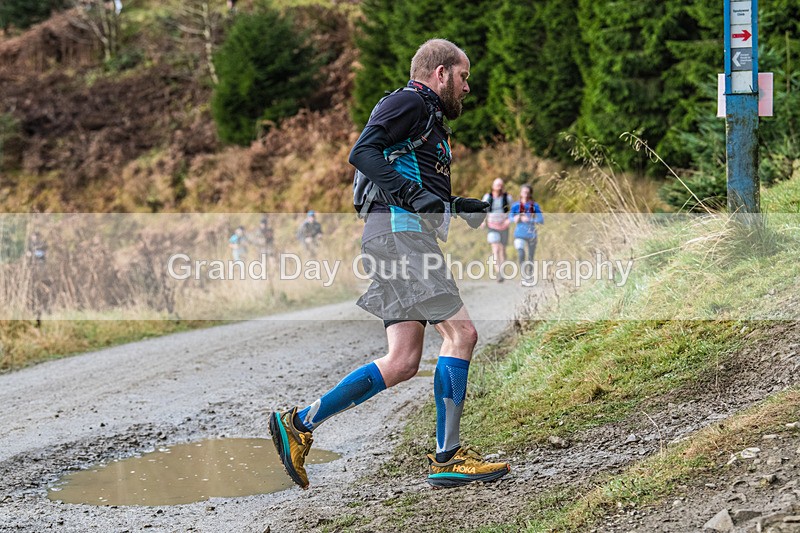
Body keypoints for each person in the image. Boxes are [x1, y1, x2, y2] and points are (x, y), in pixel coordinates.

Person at [269, 38, 509, 490]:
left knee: (401, 361)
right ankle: (449, 455)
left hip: (391, 236)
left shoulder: (426, 118)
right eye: (463, 76)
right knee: (463, 334)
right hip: (402, 237)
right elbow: (363, 152)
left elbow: (406, 176)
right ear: (440, 73)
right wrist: (417, 199)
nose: (467, 87)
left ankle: (298, 424)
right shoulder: (410, 101)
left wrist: (455, 205)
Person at [510, 184, 543, 286]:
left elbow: (541, 220)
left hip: (531, 234)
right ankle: (523, 276)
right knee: (521, 254)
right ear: (521, 193)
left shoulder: (534, 205)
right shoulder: (516, 206)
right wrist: (515, 218)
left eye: (527, 193)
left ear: (530, 194)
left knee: (530, 257)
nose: (525, 194)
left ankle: (529, 276)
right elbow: (510, 217)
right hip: (519, 234)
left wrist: (530, 220)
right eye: (524, 192)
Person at [482, 178, 512, 282]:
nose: (499, 187)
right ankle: (498, 272)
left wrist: (509, 220)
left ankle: (502, 270)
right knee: (495, 249)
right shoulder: (487, 197)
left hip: (504, 225)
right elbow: (483, 210)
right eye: (497, 185)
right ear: (493, 186)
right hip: (491, 225)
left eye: (501, 185)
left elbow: (512, 210)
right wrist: (482, 222)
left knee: (502, 250)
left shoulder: (507, 197)